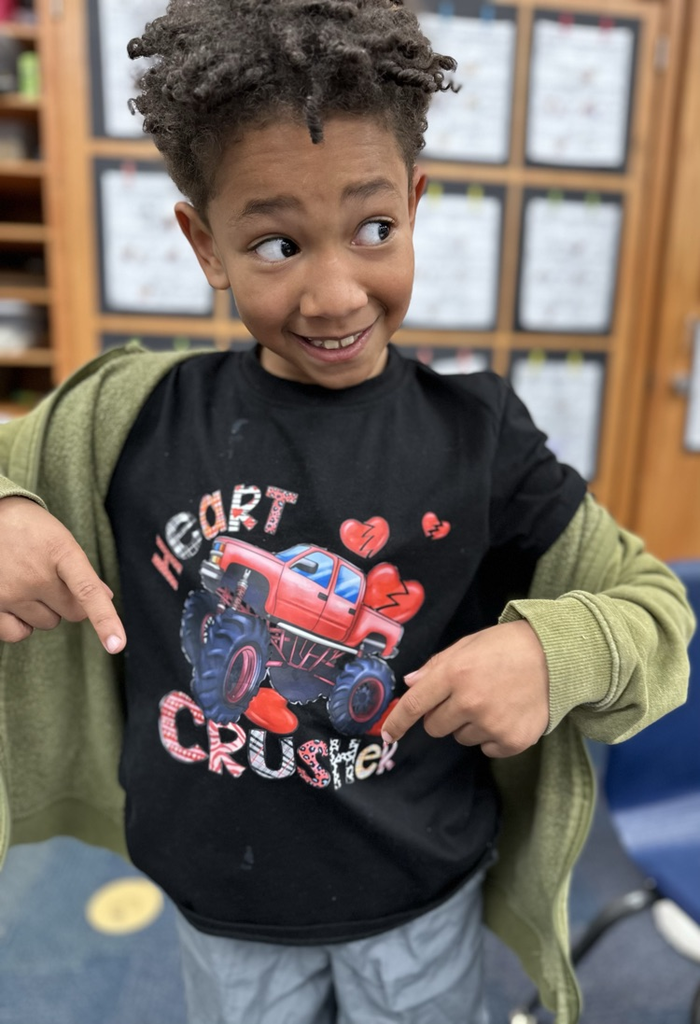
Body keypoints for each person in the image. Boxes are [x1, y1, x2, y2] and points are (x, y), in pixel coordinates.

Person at [0, 1, 692, 1022]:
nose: (332, 294)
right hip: (218, 905)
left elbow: (654, 606)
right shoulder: (123, 415)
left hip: (417, 895)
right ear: (204, 243)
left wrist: (557, 653)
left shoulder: (480, 434)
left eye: (373, 230)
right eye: (277, 244)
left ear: (413, 203)